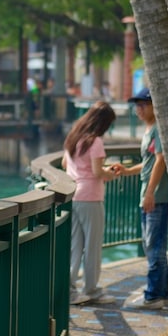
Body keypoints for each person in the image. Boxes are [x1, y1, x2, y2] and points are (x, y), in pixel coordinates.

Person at [114, 88, 168, 310]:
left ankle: (152, 296)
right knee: (156, 246)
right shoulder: (150, 129)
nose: (138, 109)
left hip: (157, 197)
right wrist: (128, 170)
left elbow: (161, 160)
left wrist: (150, 192)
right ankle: (162, 294)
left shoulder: (158, 129)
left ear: (153, 105)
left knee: (154, 247)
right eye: (136, 105)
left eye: (143, 105)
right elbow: (149, 163)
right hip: (151, 195)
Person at [62, 101, 118, 305]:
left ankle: (69, 292)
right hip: (91, 197)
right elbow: (97, 173)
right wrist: (110, 173)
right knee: (92, 246)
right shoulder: (95, 142)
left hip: (73, 195)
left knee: (74, 247)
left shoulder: (73, 137)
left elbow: (64, 164)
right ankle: (92, 290)